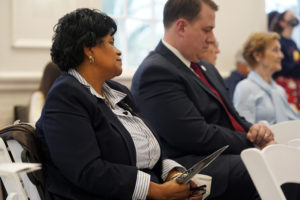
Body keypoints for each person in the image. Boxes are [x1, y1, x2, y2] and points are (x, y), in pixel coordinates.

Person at [36, 8, 203, 200]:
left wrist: (173, 175)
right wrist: (157, 191)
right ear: (89, 49)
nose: (119, 50)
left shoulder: (118, 92)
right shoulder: (66, 96)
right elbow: (87, 170)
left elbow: (148, 146)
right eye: (111, 42)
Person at [131, 0, 276, 199]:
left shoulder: (205, 68)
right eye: (207, 30)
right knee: (265, 166)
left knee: (282, 161)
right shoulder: (156, 71)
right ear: (181, 26)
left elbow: (232, 115)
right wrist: (252, 143)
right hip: (190, 163)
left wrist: (255, 131)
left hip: (222, 153)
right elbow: (196, 136)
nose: (212, 39)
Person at [233, 32, 300, 124]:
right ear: (257, 55)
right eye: (275, 50)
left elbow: (292, 122)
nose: (281, 55)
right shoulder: (245, 88)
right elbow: (243, 130)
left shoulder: (279, 90)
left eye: (280, 51)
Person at [270, 10, 300, 110]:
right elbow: (281, 67)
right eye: (290, 16)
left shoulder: (293, 43)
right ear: (282, 22)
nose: (294, 18)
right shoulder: (278, 41)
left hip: (296, 84)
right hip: (284, 84)